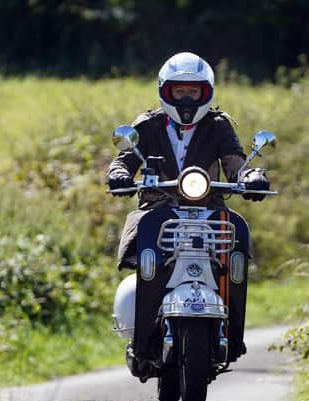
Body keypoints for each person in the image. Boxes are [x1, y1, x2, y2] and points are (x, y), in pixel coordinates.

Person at [107, 52, 270, 269]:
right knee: (143, 244)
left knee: (234, 253)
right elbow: (124, 160)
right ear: (166, 91)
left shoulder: (218, 125)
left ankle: (232, 298)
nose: (186, 98)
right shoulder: (148, 125)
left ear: (205, 92)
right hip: (158, 211)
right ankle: (146, 296)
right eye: (179, 91)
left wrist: (252, 176)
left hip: (208, 211)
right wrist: (119, 175)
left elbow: (235, 163)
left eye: (193, 92)